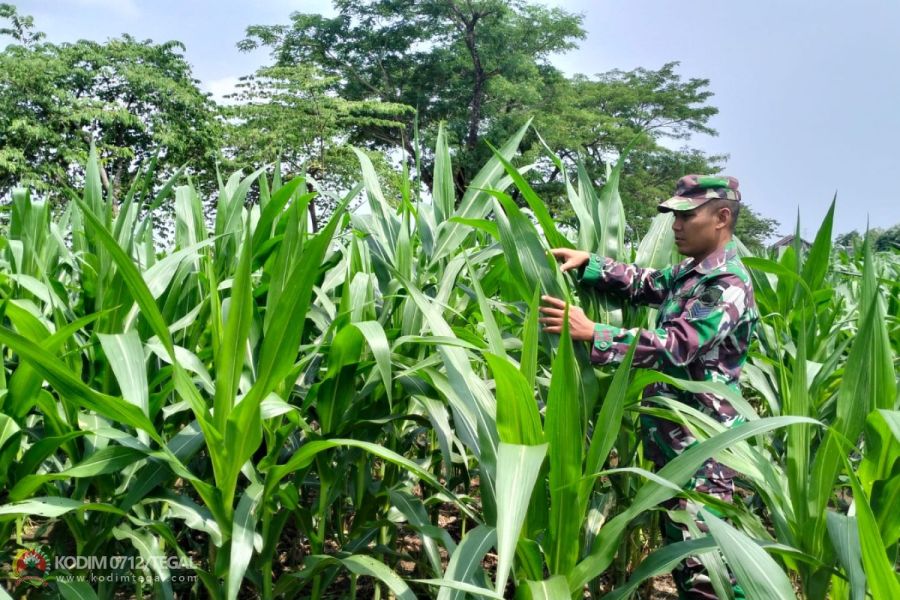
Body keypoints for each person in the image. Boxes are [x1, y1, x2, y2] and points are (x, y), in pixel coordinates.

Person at [539, 174, 758, 599]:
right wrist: (592, 264)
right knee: (680, 552)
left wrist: (594, 333)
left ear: (722, 217)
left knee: (707, 568)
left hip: (702, 449)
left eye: (686, 215)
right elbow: (649, 283)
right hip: (673, 446)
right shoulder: (692, 274)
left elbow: (677, 346)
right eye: (673, 216)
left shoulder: (727, 286)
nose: (675, 225)